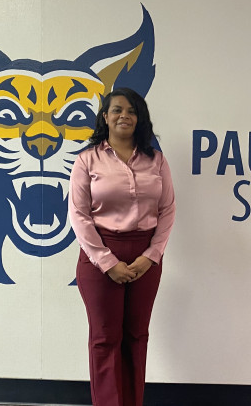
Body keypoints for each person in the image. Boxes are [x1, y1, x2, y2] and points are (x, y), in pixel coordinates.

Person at [68, 88, 175, 406]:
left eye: (131, 110)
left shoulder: (156, 160)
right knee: (105, 340)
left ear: (139, 118)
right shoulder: (88, 159)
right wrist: (107, 262)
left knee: (135, 337)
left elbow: (167, 210)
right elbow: (79, 214)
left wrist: (151, 256)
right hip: (100, 254)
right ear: (105, 117)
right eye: (116, 110)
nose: (124, 115)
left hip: (145, 256)